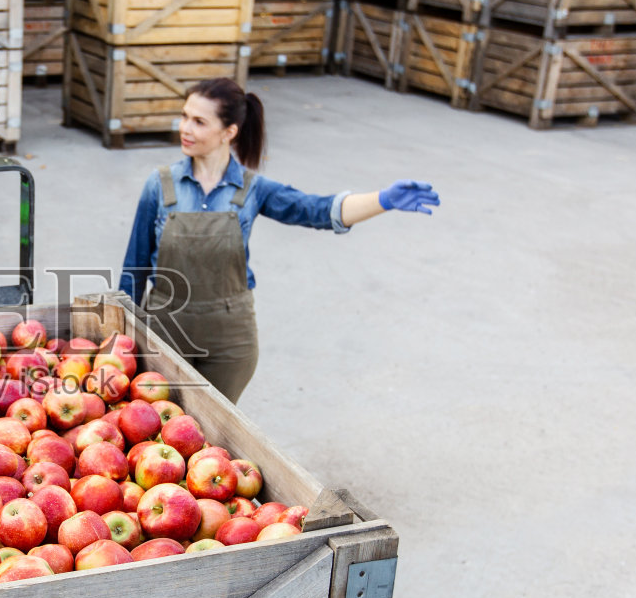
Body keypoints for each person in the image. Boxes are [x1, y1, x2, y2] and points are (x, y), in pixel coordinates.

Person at [118, 77, 439, 402]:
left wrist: (383, 200)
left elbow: (315, 209)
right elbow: (135, 266)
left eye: (199, 121)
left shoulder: (253, 189)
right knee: (155, 421)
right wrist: (121, 333)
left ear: (229, 132)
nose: (185, 128)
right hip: (166, 329)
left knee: (217, 428)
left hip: (229, 340)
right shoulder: (160, 185)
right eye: (185, 116)